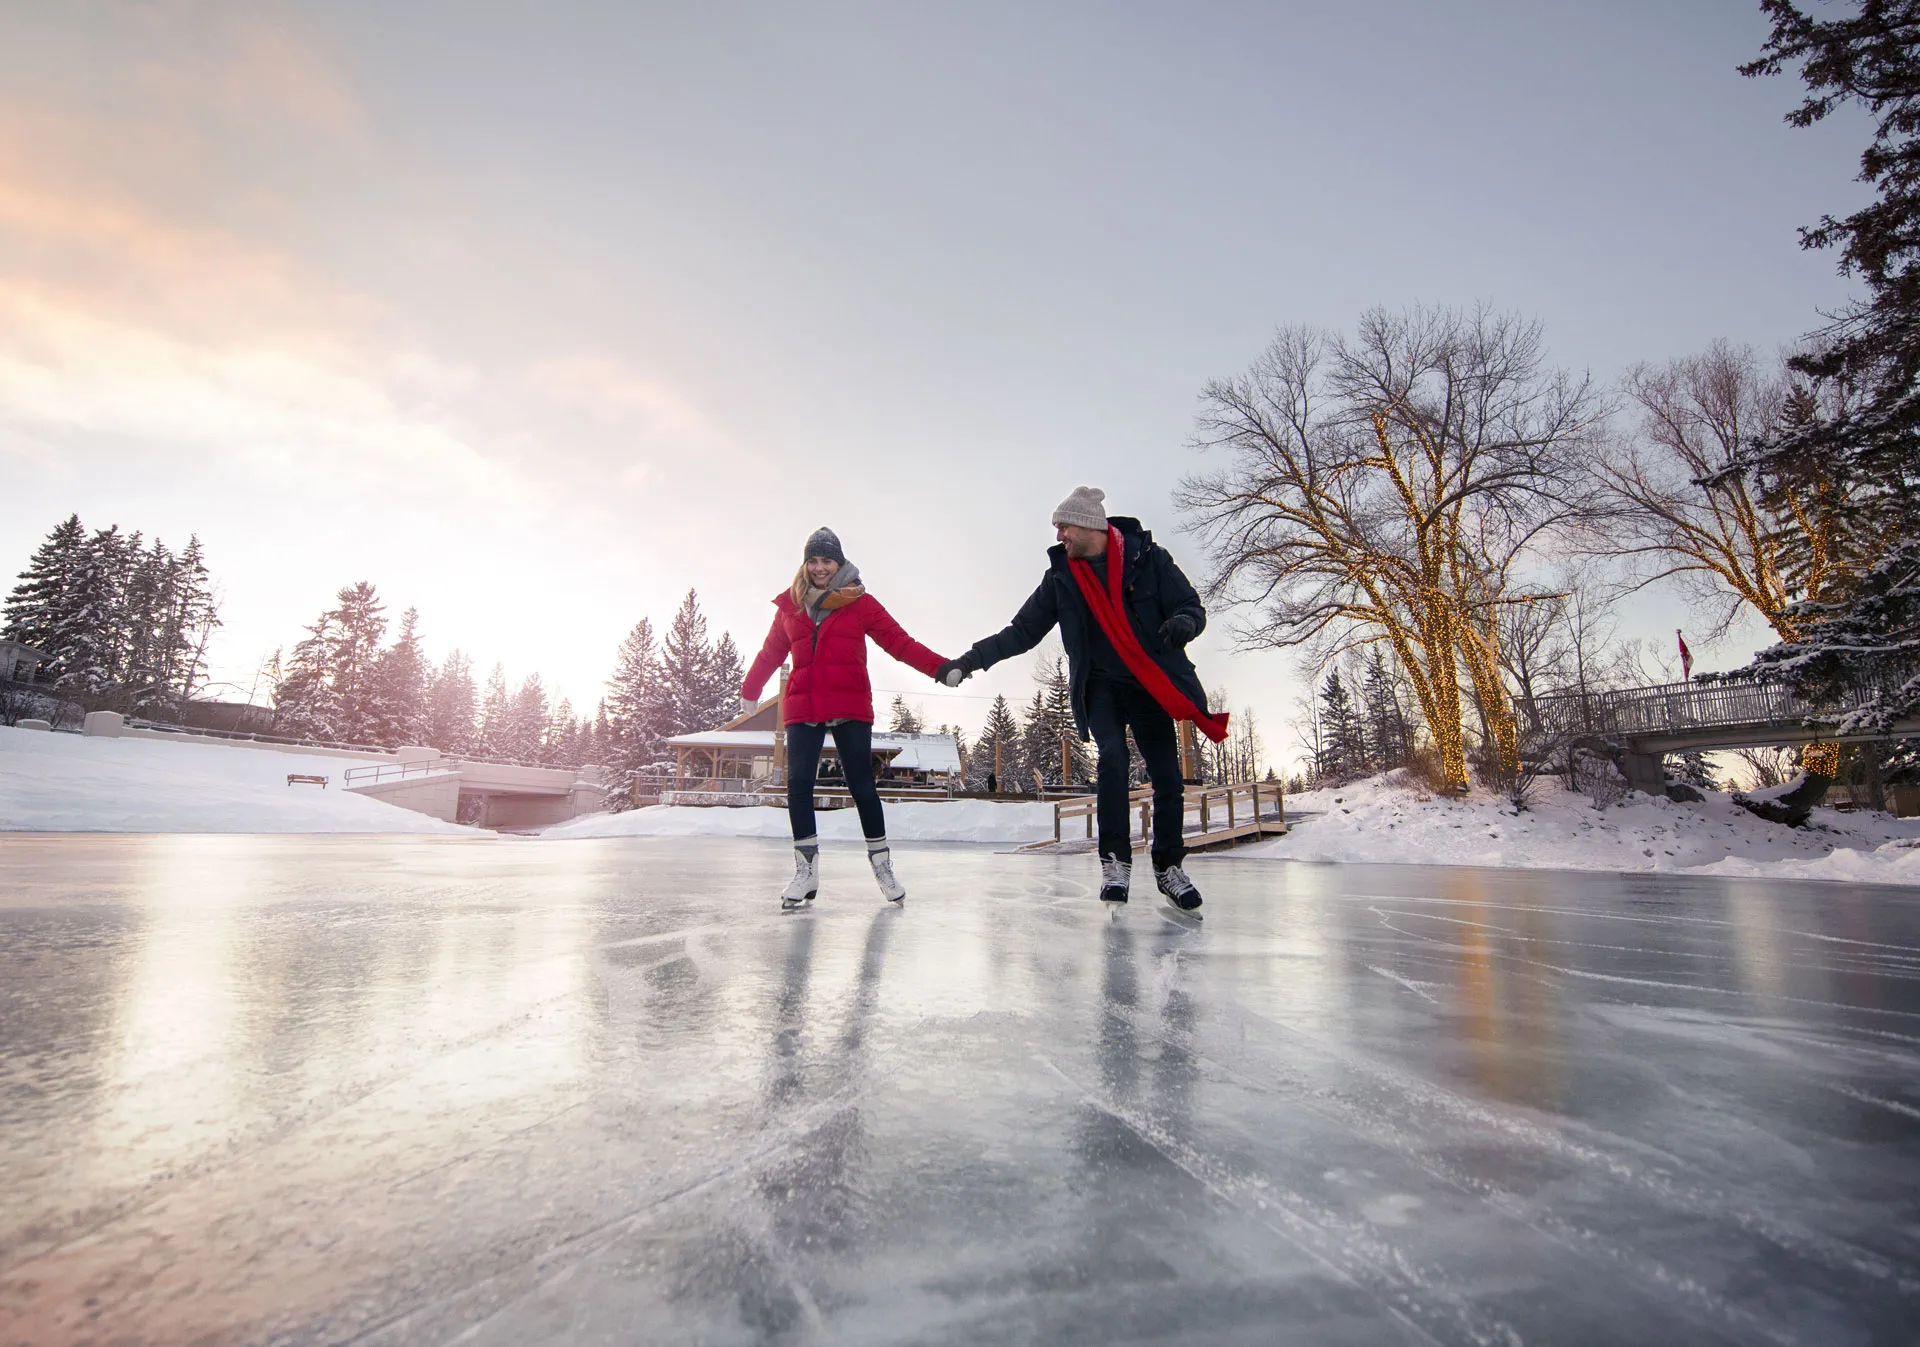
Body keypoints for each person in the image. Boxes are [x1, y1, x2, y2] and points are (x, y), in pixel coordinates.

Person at [937, 487, 1226, 910]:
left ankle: (1169, 867)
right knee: (1112, 758)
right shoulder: (1062, 578)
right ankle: (1115, 864)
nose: (1059, 537)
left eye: (1063, 527)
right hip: (1101, 685)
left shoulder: (1150, 560)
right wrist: (969, 661)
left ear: (1089, 525)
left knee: (1167, 773)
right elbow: (1021, 631)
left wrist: (1184, 621)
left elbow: (1190, 605)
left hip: (1149, 681)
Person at [742, 527, 950, 910]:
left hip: (849, 702)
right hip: (803, 706)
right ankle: (806, 871)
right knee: (799, 786)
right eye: (813, 561)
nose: (820, 568)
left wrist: (940, 669)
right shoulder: (791, 604)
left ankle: (882, 866)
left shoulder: (860, 602)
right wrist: (750, 689)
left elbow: (899, 643)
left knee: (862, 787)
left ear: (839, 562)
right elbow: (771, 651)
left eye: (827, 560)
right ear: (805, 564)